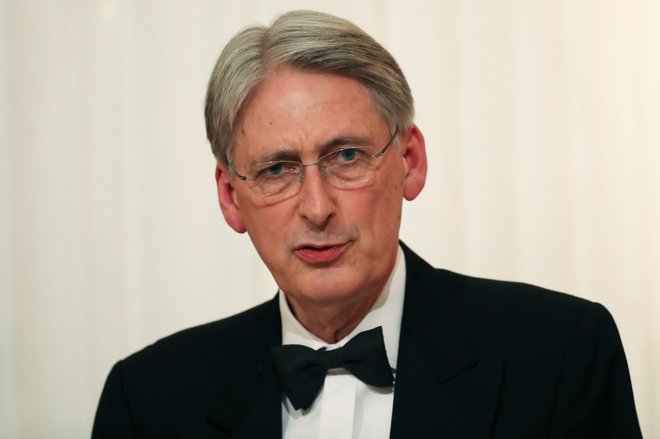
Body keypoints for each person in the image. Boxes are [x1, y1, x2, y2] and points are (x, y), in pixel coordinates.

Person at [92, 10, 642, 438]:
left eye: (347, 156)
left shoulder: (560, 353)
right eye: (277, 169)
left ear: (411, 160)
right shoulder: (146, 399)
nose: (316, 207)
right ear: (230, 197)